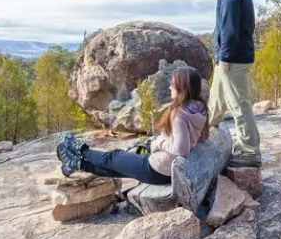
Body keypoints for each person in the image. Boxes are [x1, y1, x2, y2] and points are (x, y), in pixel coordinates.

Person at [56, 67, 209, 183]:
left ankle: (79, 148)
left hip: (157, 169)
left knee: (114, 157)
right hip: (168, 171)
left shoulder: (179, 114)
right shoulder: (199, 108)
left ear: (182, 88)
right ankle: (75, 163)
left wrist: (158, 143)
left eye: (172, 84)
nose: (170, 87)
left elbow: (182, 149)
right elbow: (195, 139)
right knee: (115, 168)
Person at [209, 0, 261, 168]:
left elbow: (229, 29)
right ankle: (207, 132)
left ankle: (250, 151)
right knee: (216, 99)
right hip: (230, 57)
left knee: (239, 105)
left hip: (232, 58)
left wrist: (225, 56)